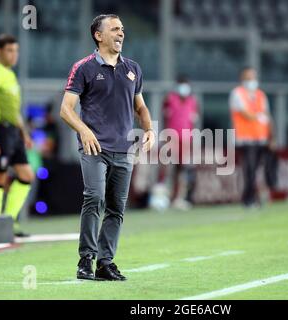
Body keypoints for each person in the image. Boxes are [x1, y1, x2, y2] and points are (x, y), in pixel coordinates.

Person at [60, 14, 155, 281]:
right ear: (98, 36)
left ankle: (105, 263)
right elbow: (66, 110)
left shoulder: (133, 68)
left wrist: (149, 129)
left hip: (124, 150)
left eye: (122, 29)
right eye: (114, 29)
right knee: (95, 198)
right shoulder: (84, 68)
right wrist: (84, 130)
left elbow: (141, 106)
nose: (121, 33)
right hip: (94, 148)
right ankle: (85, 260)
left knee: (116, 207)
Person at [0, 34, 35, 237]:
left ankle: (8, 222)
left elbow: (14, 109)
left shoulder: (10, 75)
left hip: (13, 133)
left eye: (16, 51)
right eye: (10, 50)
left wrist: (24, 133)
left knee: (26, 175)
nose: (14, 55)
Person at [229, 67, 276, 208]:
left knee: (260, 168)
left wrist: (271, 136)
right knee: (249, 168)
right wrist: (260, 116)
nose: (251, 81)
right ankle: (248, 198)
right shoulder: (237, 94)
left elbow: (268, 116)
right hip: (245, 138)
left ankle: (259, 195)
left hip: (261, 138)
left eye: (253, 77)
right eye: (248, 78)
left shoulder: (261, 95)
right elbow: (247, 115)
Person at [161, 75, 198, 210]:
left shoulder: (192, 101)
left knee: (183, 170)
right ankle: (163, 198)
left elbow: (193, 121)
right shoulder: (169, 99)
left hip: (186, 140)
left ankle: (180, 198)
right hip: (171, 138)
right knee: (167, 169)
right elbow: (164, 117)